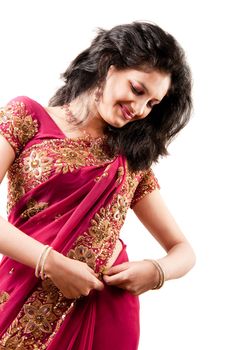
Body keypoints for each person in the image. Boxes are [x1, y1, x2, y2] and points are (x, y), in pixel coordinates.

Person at [0, 21, 195, 349]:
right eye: (137, 90)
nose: (140, 110)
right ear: (108, 65)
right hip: (20, 298)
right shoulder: (26, 118)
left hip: (106, 309)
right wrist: (52, 263)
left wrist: (155, 272)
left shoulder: (129, 161)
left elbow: (183, 251)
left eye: (152, 104)